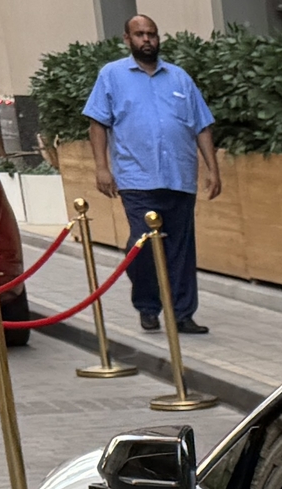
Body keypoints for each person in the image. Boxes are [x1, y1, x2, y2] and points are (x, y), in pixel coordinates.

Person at [84, 14, 220, 336]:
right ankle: (148, 304)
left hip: (179, 178)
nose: (147, 40)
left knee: (181, 251)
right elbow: (97, 124)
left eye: (152, 34)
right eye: (140, 35)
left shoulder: (180, 79)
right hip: (136, 180)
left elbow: (201, 125)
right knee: (142, 245)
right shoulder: (112, 75)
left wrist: (213, 169)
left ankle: (183, 314)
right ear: (127, 39)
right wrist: (102, 168)